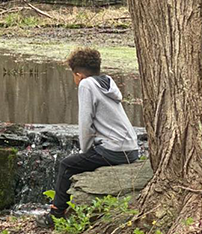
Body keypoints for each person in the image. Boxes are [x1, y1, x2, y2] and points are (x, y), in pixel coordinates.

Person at [49, 48, 139, 220]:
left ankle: (55, 215)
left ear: (79, 75)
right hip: (131, 149)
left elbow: (85, 123)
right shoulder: (107, 82)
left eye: (73, 76)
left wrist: (85, 151)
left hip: (113, 150)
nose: (74, 80)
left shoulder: (86, 85)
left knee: (67, 165)